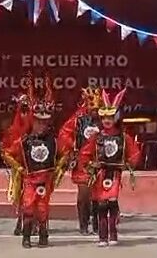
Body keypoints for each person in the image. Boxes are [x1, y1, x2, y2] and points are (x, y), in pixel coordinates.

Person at [2, 75, 68, 248]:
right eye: (38, 122)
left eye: (44, 123)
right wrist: (19, 168)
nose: (41, 126)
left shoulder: (53, 141)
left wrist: (58, 168)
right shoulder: (24, 142)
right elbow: (6, 153)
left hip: (45, 180)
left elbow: (65, 154)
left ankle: (43, 236)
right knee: (28, 207)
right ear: (33, 121)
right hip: (29, 180)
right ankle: (26, 237)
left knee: (43, 209)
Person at [79, 88, 141, 247]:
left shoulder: (123, 137)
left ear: (116, 118)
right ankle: (102, 236)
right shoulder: (96, 137)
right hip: (100, 173)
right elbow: (85, 154)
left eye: (110, 117)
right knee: (101, 204)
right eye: (104, 117)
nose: (107, 120)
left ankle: (113, 234)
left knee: (112, 201)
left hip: (114, 173)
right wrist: (89, 165)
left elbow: (134, 153)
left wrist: (130, 163)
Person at [58, 85, 102, 235]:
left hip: (101, 161)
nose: (95, 110)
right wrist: (73, 148)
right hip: (83, 162)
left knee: (100, 195)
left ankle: (98, 225)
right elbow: (64, 134)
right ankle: (83, 225)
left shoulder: (105, 118)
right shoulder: (78, 119)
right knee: (84, 195)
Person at [1, 88, 34, 235]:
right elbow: (7, 153)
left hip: (36, 168)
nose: (24, 111)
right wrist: (19, 168)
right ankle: (20, 222)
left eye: (27, 106)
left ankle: (36, 224)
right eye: (22, 106)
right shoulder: (14, 130)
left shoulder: (37, 127)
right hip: (21, 169)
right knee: (20, 196)